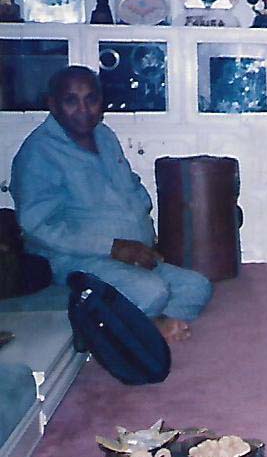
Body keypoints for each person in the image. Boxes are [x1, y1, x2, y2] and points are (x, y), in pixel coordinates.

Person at [10, 66, 212, 343]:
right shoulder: (37, 153)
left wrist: (146, 239)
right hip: (74, 259)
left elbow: (131, 186)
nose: (83, 109)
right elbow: (38, 228)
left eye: (91, 99)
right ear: (52, 104)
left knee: (196, 286)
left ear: (101, 102)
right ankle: (142, 326)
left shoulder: (104, 136)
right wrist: (113, 247)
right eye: (71, 101)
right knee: (153, 292)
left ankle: (139, 326)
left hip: (127, 255)